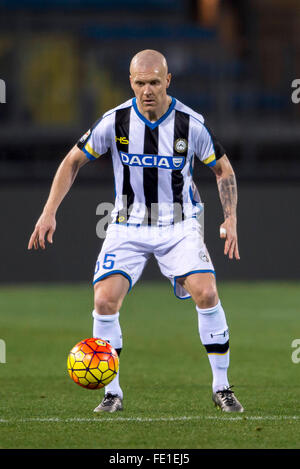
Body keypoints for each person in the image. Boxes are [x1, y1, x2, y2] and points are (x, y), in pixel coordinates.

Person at [28, 49, 244, 413]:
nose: (147, 90)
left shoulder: (190, 124)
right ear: (131, 82)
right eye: (140, 82)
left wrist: (230, 218)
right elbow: (72, 161)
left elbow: (223, 169)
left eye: (154, 82)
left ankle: (221, 386)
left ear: (167, 81)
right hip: (128, 224)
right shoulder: (115, 122)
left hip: (179, 224)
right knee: (103, 301)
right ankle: (112, 393)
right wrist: (49, 211)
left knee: (206, 293)